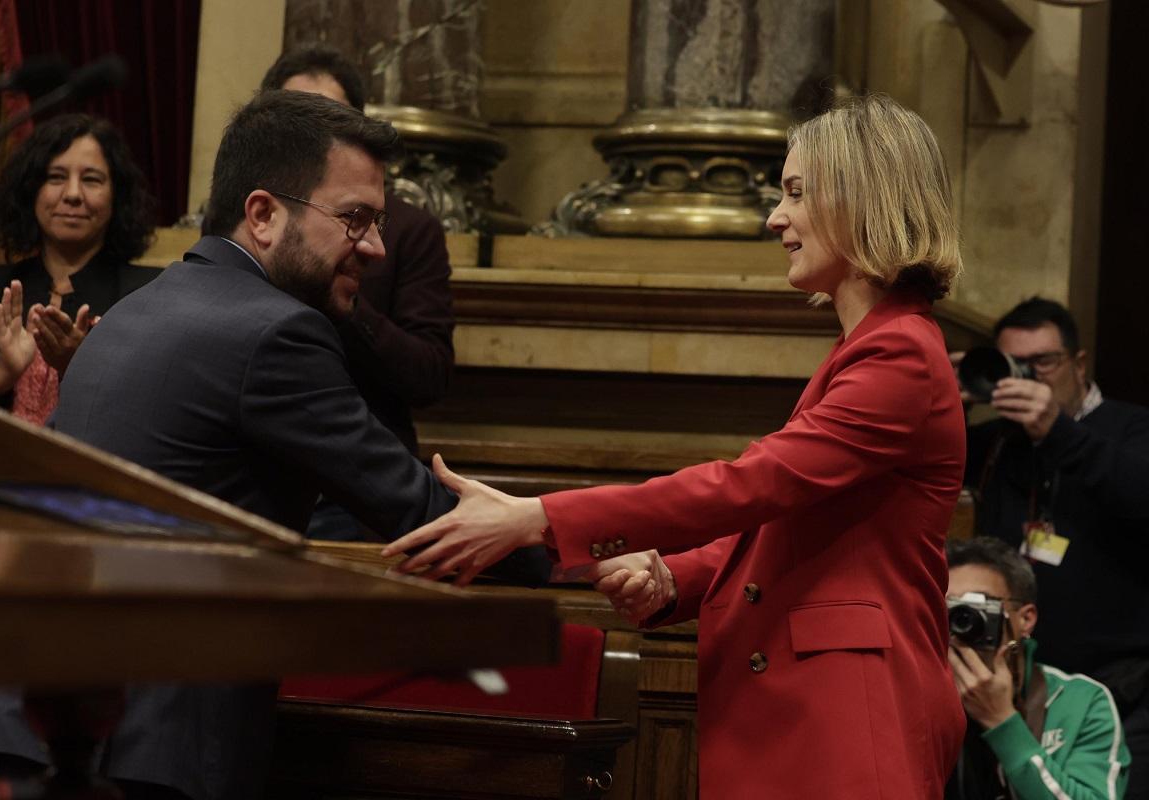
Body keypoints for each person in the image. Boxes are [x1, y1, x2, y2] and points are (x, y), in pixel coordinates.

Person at [0, 91, 544, 800]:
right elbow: (415, 509)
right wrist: (560, 538)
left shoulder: (134, 311)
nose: (378, 247)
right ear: (264, 214)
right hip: (148, 754)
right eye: (355, 219)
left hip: (27, 729)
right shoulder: (275, 333)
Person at [382, 94, 968, 799]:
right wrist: (672, 577)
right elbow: (786, 523)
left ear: (862, 198)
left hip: (848, 716)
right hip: (810, 710)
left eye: (794, 193)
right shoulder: (875, 346)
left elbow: (751, 485)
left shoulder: (899, 353)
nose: (775, 217)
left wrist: (535, 517)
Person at [263, 45, 455, 541]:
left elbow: (428, 375)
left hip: (355, 488)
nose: (311, 137)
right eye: (294, 120)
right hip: (255, 468)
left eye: (328, 119)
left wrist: (337, 292)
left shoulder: (405, 231)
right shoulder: (252, 219)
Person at [962, 297, 1149, 797]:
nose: (1030, 377)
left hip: (1120, 686)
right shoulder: (997, 442)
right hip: (1012, 684)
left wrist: (1059, 433)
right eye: (1014, 365)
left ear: (1079, 363)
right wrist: (949, 398)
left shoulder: (1130, 428)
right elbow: (913, 471)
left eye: (1043, 363)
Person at [0, 113, 157, 424]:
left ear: (117, 196)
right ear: (30, 191)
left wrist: (78, 365)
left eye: (91, 179)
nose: (72, 195)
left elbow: (155, 410)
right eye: (56, 177)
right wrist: (1, 376)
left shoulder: (148, 294)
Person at [945, 536, 1129, 800]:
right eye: (952, 608)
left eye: (979, 605)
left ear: (1025, 619)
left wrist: (1003, 721)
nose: (964, 621)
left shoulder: (1081, 701)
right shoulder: (918, 697)